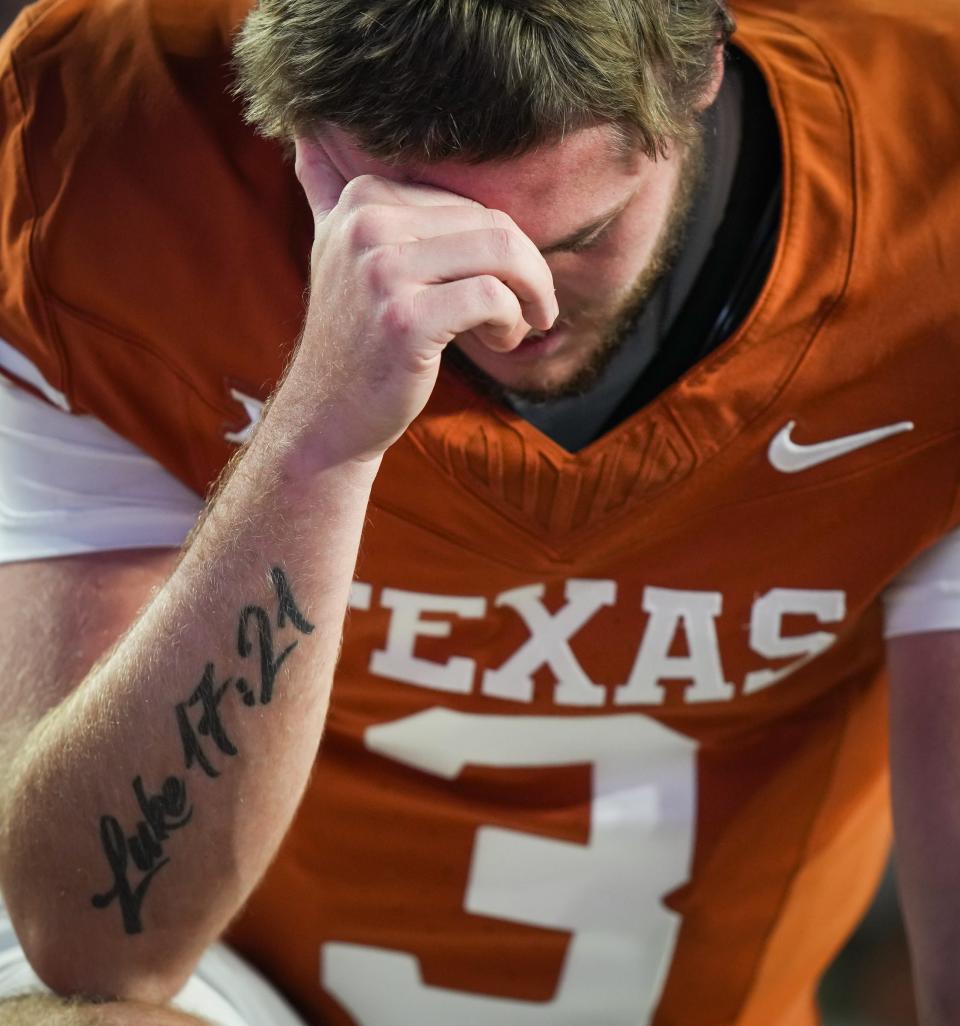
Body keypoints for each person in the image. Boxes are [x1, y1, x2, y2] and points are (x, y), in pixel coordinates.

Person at [0, 0, 956, 1024]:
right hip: (242, 987)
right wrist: (316, 436)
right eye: (430, 237)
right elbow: (96, 946)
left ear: (702, 62)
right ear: (301, 134)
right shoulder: (102, 140)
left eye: (578, 236)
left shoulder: (932, 188)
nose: (514, 307)